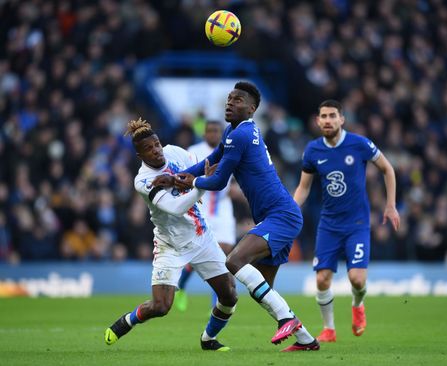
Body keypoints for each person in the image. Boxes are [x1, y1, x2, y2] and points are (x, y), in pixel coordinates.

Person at [156, 81, 319, 352]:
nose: (230, 102)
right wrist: (177, 178)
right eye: (229, 98)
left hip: (281, 216)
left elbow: (218, 180)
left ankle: (287, 319)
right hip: (278, 216)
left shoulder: (240, 135)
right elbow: (209, 162)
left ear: (252, 109)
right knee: (264, 289)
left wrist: (191, 183)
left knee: (234, 261)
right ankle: (306, 340)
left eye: (238, 100)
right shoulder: (236, 131)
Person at [104, 118, 237, 351]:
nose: (156, 151)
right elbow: (176, 207)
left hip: (200, 236)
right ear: (140, 156)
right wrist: (200, 186)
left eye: (156, 144)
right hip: (170, 245)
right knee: (161, 306)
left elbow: (197, 169)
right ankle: (127, 321)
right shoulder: (143, 181)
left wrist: (197, 179)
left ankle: (208, 339)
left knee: (229, 296)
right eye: (148, 149)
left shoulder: (174, 152)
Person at [293, 100, 400, 342]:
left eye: (332, 115)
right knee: (321, 279)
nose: (328, 120)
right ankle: (329, 329)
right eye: (324, 116)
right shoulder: (312, 151)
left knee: (357, 279)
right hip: (329, 225)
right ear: (318, 121)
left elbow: (387, 169)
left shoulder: (359, 144)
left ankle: (358, 305)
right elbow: (303, 188)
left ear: (342, 119)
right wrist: (289, 210)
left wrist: (390, 205)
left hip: (357, 224)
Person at [175, 120, 237, 311]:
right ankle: (181, 286)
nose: (213, 134)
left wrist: (236, 189)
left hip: (223, 207)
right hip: (201, 205)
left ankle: (217, 303)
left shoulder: (231, 149)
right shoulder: (194, 151)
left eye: (217, 131)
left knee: (226, 254)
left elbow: (235, 177)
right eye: (209, 131)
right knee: (200, 253)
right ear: (204, 134)